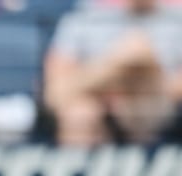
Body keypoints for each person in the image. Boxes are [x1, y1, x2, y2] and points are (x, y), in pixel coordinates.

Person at [42, 0, 182, 147]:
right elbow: (54, 92)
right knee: (80, 113)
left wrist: (148, 72)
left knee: (142, 109)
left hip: (156, 102)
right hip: (98, 96)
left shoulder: (177, 18)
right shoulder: (85, 16)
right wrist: (114, 66)